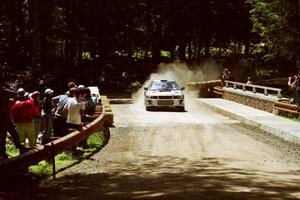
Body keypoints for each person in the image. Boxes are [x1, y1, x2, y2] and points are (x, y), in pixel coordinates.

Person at [0, 80, 24, 159]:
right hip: (6, 119)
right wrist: (10, 86)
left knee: (2, 138)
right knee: (14, 135)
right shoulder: (3, 91)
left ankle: (3, 154)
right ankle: (19, 148)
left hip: (4, 119)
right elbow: (15, 93)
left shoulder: (3, 92)